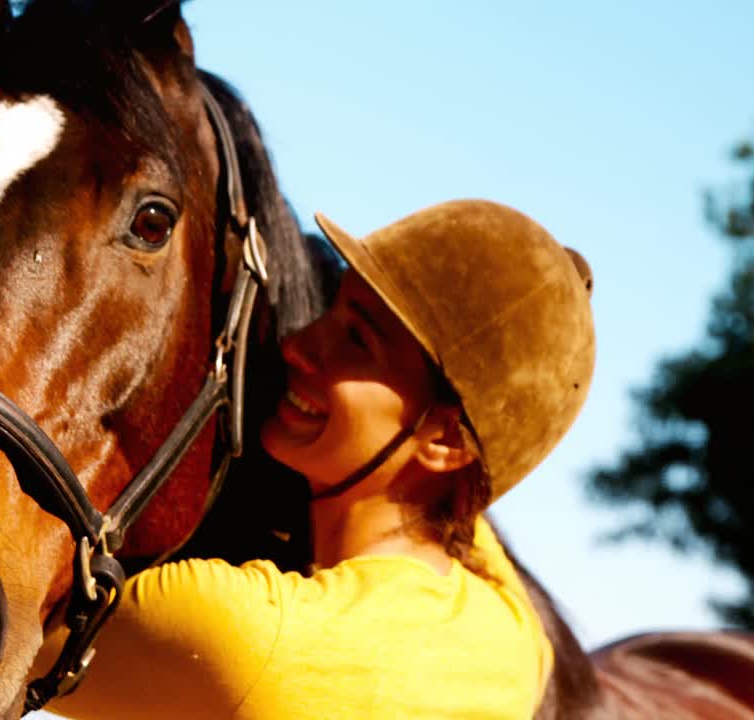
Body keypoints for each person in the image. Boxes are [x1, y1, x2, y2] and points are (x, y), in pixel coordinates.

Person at [43, 199, 595, 719]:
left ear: (446, 442)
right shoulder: (512, 636)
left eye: (356, 340)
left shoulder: (251, 638)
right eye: (333, 308)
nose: (298, 345)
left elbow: (1, 641)